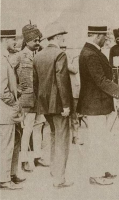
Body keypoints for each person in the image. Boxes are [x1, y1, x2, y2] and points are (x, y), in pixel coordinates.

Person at [76, 25, 119, 185]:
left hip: (98, 104)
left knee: (101, 138)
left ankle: (102, 170)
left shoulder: (91, 51)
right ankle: (95, 175)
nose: (106, 39)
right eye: (104, 36)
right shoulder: (90, 54)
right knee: (97, 140)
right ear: (96, 35)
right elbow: (101, 80)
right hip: (95, 105)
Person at [33, 22, 73, 188]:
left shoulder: (38, 56)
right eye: (62, 35)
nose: (64, 37)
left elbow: (36, 84)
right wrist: (66, 105)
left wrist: (42, 102)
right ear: (56, 37)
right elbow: (62, 81)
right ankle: (59, 178)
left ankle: (54, 171)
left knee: (53, 136)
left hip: (45, 106)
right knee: (62, 140)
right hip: (59, 105)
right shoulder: (60, 54)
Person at [16, 24, 47, 172]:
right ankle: (24, 160)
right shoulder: (20, 55)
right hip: (27, 100)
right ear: (27, 41)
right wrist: (16, 87)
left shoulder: (37, 54)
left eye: (38, 40)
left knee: (38, 127)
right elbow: (9, 73)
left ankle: (37, 156)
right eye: (35, 40)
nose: (38, 43)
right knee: (26, 129)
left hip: (38, 99)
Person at [0, 29, 24, 190]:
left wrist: (18, 90)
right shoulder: (2, 59)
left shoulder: (6, 58)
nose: (15, 42)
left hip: (8, 110)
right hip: (5, 110)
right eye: (12, 39)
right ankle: (4, 179)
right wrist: (14, 103)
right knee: (6, 145)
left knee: (15, 141)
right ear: (4, 39)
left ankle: (11, 174)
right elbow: (2, 89)